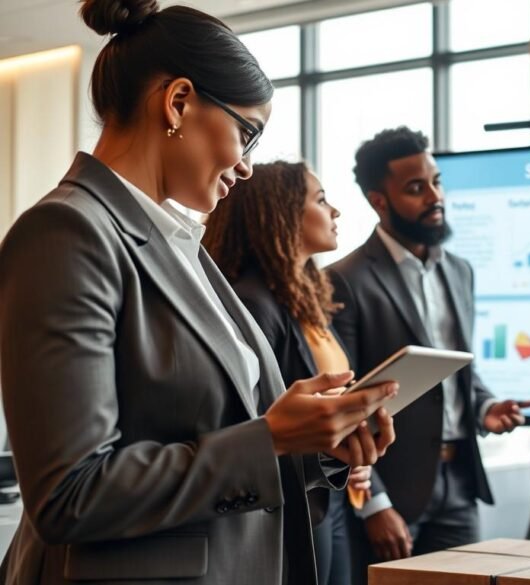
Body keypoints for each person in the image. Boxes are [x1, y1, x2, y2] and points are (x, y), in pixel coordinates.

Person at [0, 2, 397, 584]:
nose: (247, 168)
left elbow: (211, 437)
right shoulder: (66, 233)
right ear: (178, 101)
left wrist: (314, 442)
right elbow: (69, 495)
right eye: (247, 133)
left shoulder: (181, 243)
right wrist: (271, 438)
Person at [325, 127, 530, 582]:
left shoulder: (459, 271)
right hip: (391, 487)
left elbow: (459, 370)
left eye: (436, 182)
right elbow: (345, 401)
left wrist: (484, 407)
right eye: (416, 188)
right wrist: (373, 503)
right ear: (379, 201)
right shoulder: (345, 279)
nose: (434, 196)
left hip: (460, 481)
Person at [204, 161, 382, 585]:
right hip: (291, 500)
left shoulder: (305, 297)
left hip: (328, 492)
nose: (335, 211)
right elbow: (255, 421)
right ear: (279, 213)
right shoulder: (254, 304)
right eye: (321, 200)